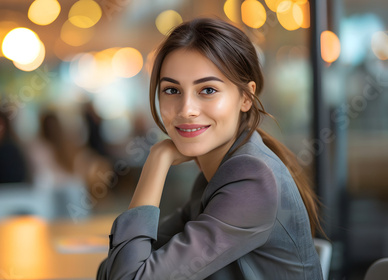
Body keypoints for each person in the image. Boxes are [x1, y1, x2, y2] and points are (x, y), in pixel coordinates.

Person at [97, 18, 324, 279]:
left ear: (246, 97)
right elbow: (115, 269)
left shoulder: (251, 180)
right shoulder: (218, 175)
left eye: (207, 90)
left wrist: (157, 161)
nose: (186, 110)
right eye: (171, 90)